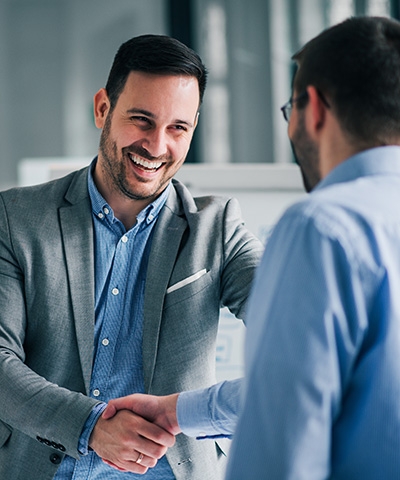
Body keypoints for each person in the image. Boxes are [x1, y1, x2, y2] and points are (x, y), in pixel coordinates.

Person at [103, 16, 400, 479]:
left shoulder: (322, 228)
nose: (159, 143)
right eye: (142, 119)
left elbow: (281, 420)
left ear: (314, 109)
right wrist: (177, 411)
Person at [0, 34, 263, 480]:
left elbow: (299, 336)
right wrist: (90, 427)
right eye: (142, 120)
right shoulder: (16, 218)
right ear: (103, 108)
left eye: (178, 128)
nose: (157, 146)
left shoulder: (217, 230)